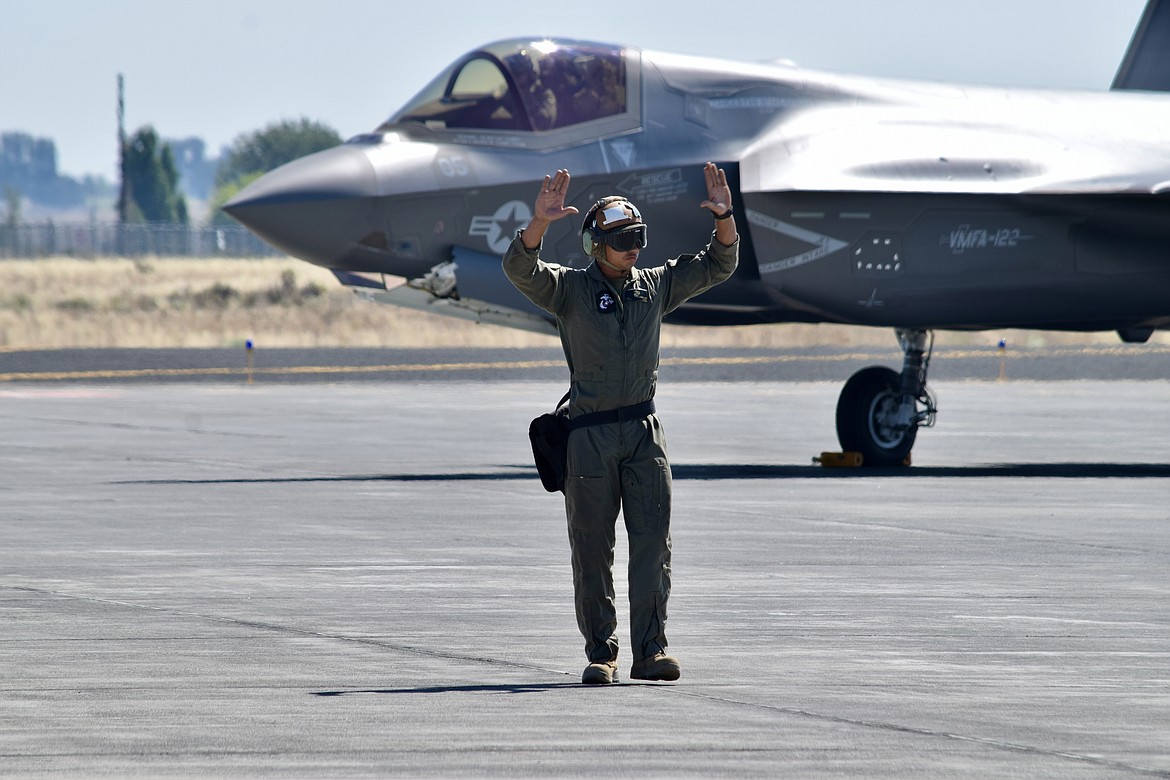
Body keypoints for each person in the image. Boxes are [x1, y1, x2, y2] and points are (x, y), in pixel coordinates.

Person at [502, 163, 739, 684]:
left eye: (638, 237)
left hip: (642, 434)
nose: (633, 247)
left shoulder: (654, 287)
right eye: (621, 239)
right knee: (592, 549)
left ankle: (649, 652)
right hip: (588, 437)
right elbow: (522, 271)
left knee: (653, 543)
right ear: (593, 244)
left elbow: (717, 265)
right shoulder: (569, 291)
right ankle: (602, 653)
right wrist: (538, 225)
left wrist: (724, 217)